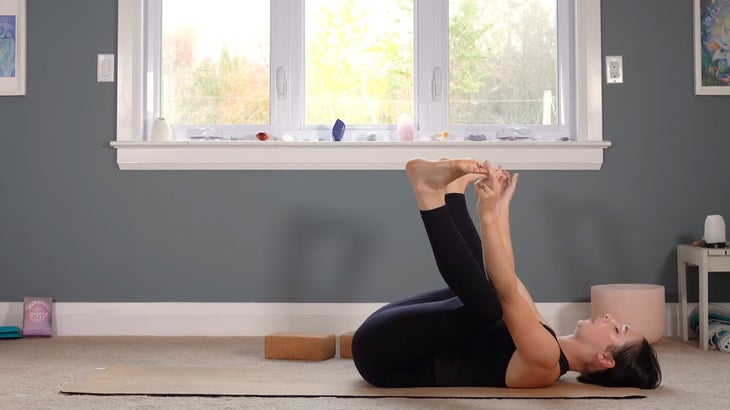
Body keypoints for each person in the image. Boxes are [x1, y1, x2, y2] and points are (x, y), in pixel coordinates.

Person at [351, 158, 661, 389]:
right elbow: (508, 277)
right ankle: (451, 194)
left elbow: (505, 289)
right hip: (385, 334)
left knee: (490, 306)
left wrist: (488, 214)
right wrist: (501, 206)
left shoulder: (544, 362)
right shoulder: (546, 338)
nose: (609, 318)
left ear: (606, 359)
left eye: (618, 330)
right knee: (493, 294)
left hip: (384, 358)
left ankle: (429, 192)